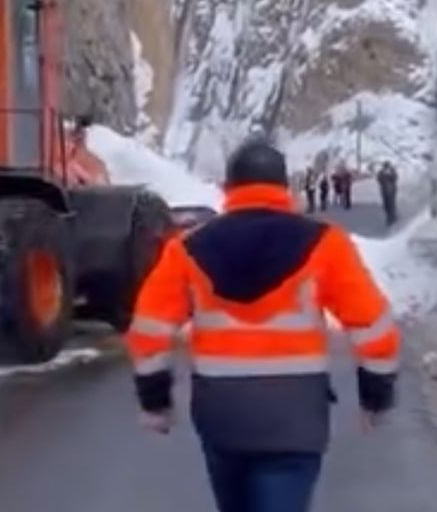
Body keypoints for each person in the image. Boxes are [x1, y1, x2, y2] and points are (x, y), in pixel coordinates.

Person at [126, 138, 401, 512]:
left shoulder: (187, 249)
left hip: (222, 415)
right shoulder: (326, 244)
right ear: (284, 187)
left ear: (229, 188)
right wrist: (376, 396)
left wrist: (155, 401)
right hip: (296, 415)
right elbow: (372, 323)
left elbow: (149, 329)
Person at [376, 162, 399, 227]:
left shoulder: (392, 170)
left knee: (391, 204)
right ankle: (389, 216)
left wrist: (390, 175)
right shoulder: (381, 172)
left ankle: (392, 217)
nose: (386, 167)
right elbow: (378, 179)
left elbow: (395, 178)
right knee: (386, 205)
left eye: (387, 166)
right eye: (385, 166)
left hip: (392, 191)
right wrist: (383, 177)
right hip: (384, 191)